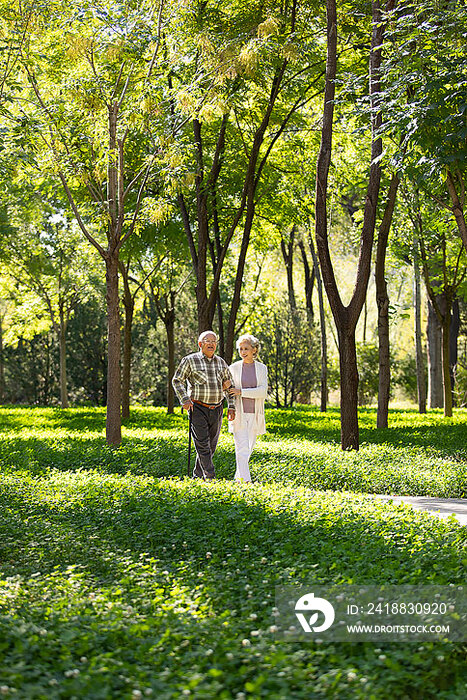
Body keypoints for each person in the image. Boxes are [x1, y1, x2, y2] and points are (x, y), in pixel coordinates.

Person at [172, 331, 235, 480]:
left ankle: (197, 476)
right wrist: (184, 399)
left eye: (214, 341)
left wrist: (231, 406)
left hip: (217, 408)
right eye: (208, 341)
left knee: (211, 446)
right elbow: (177, 380)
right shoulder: (190, 360)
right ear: (200, 344)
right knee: (203, 445)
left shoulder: (221, 362)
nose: (212, 344)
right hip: (197, 408)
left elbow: (229, 385)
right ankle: (211, 476)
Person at [227, 334, 268, 483]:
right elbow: (230, 391)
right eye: (240, 349)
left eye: (246, 349)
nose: (243, 352)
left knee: (248, 449)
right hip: (239, 414)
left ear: (254, 350)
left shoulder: (262, 368)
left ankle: (238, 480)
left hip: (256, 414)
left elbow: (263, 392)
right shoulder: (234, 368)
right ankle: (246, 482)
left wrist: (241, 392)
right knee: (242, 449)